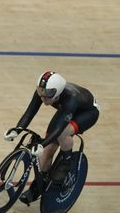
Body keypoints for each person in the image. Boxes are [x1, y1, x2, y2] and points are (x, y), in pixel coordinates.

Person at [6, 71, 100, 204]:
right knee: (48, 149)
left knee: (63, 134)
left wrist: (41, 144)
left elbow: (59, 129)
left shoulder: (71, 97)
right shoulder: (44, 92)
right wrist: (17, 130)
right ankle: (38, 186)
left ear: (58, 93)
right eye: (41, 94)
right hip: (66, 110)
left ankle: (66, 163)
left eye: (47, 96)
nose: (43, 99)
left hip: (87, 113)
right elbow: (29, 112)